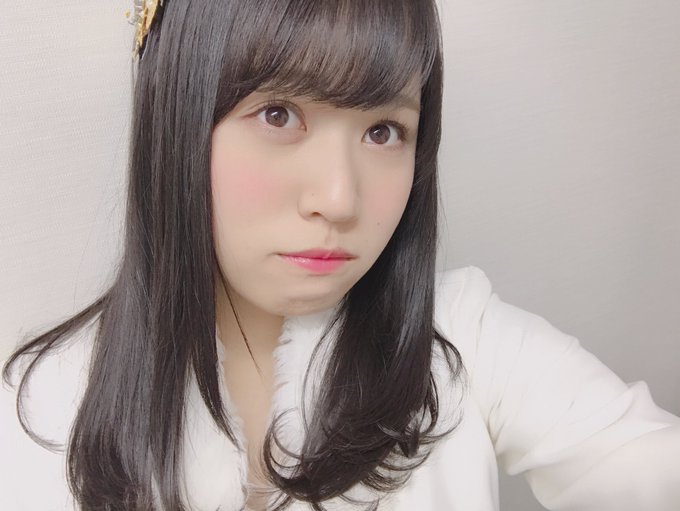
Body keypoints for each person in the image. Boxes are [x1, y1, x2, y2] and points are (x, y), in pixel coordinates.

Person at [1, 1, 678, 510]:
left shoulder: (463, 340)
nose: (339, 198)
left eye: (383, 131)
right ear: (176, 123)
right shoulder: (43, 412)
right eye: (278, 115)